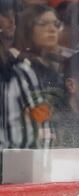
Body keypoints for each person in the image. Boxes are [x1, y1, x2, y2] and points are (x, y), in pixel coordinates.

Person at [1, 0, 52, 154]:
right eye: (5, 15)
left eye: (11, 16)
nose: (11, 20)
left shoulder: (21, 72)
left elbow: (43, 127)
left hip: (16, 170)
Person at [14, 4, 66, 92]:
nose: (52, 29)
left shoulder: (60, 64)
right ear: (27, 30)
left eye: (56, 24)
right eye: (43, 24)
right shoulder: (22, 68)